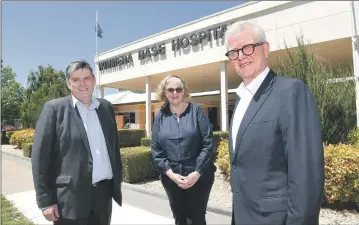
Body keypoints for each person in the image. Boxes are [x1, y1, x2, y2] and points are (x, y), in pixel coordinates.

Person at [224, 20, 324, 225]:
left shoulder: (291, 92)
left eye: (248, 47)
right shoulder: (241, 100)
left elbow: (305, 172)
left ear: (266, 49)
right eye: (233, 52)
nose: (241, 56)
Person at [31, 60, 123, 225]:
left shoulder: (106, 107)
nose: (82, 84)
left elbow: (114, 148)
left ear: (94, 80)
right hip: (69, 199)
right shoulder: (54, 109)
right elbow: (40, 158)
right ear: (68, 83)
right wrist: (45, 200)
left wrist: (117, 180)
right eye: (76, 79)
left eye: (86, 78)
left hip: (103, 196)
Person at [151, 75, 216, 225]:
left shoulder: (196, 111)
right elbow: (156, 148)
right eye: (170, 89)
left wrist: (197, 172)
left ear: (184, 91)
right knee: (180, 219)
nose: (175, 93)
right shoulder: (160, 116)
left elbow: (208, 143)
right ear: (165, 92)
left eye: (178, 89)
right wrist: (170, 174)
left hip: (199, 176)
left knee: (196, 219)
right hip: (172, 177)